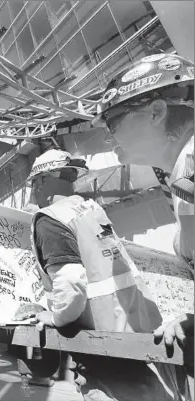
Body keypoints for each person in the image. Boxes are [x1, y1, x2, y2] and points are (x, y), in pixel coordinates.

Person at [27, 148, 180, 400]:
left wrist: (56, 317)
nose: (34, 190)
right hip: (133, 330)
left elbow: (72, 281)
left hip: (99, 340)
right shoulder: (90, 210)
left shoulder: (51, 219)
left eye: (34, 183)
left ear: (43, 180)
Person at [92, 53, 193, 398]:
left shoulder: (190, 168)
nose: (109, 136)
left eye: (114, 121)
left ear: (156, 112)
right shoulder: (181, 173)